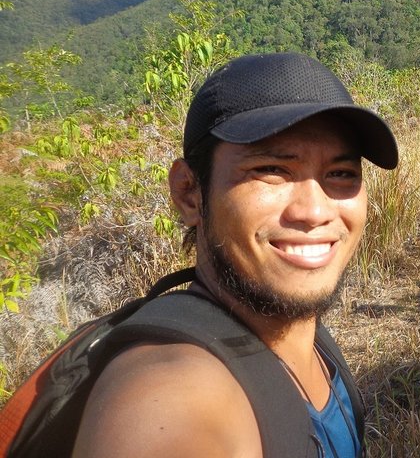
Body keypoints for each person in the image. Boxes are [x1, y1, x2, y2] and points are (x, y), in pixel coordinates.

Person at [71, 52, 398, 458]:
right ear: (189, 193)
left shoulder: (307, 337)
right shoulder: (171, 394)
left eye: (341, 174)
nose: (315, 211)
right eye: (272, 169)